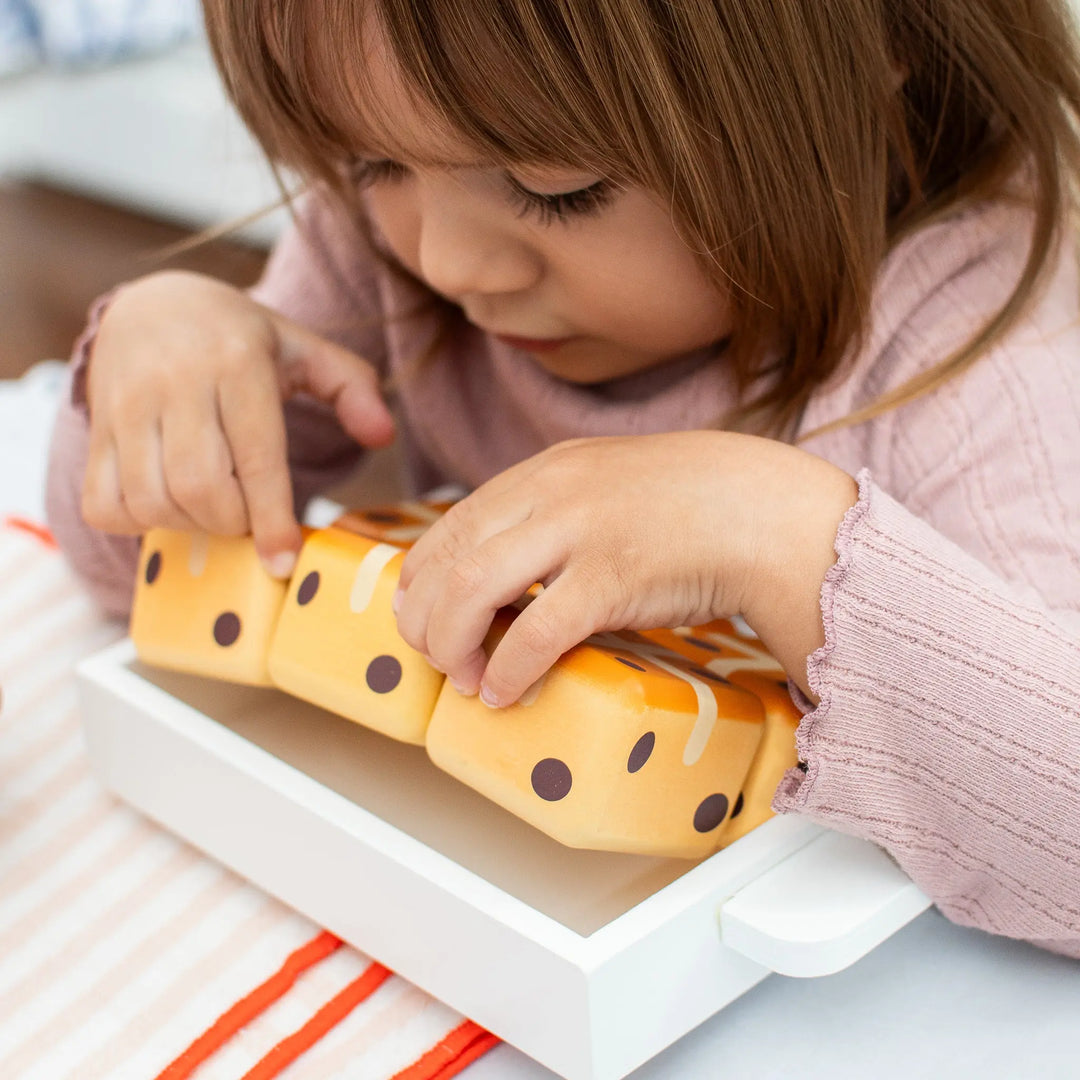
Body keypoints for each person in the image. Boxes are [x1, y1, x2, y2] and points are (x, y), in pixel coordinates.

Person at [45, 0, 1080, 957]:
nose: (450, 262)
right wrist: (165, 366)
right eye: (370, 164)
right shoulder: (391, 250)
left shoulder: (981, 345)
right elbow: (121, 574)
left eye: (557, 187)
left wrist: (780, 536)